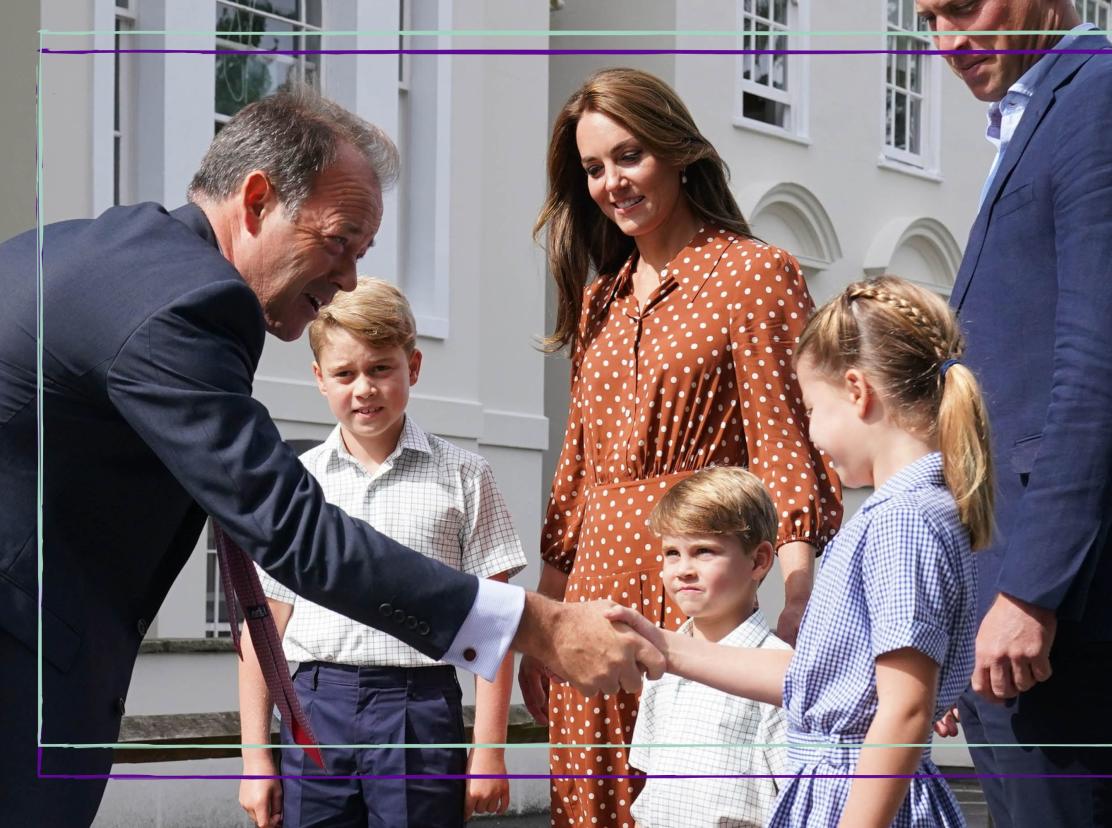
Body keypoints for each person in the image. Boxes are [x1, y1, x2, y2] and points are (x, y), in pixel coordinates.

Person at [0, 84, 664, 827]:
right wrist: (541, 626)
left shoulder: (88, 253)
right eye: (339, 240)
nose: (348, 278)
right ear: (256, 201)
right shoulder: (185, 305)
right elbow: (293, 532)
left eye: (362, 252)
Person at [916, 1, 1112, 824]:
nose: (949, 43)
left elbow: (1106, 371)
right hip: (1008, 600)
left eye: (964, 7)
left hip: (1059, 612)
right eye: (929, 19)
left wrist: (1033, 591)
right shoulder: (1035, 121)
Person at [522, 67, 842, 828]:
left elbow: (785, 440)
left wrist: (798, 593)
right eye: (593, 169)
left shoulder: (754, 272)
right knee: (591, 808)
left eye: (628, 156)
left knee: (706, 807)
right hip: (592, 596)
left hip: (695, 593)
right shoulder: (600, 297)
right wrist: (545, 625)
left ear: (677, 151)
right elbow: (573, 476)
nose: (611, 183)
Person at [611, 275, 990, 827]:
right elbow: (814, 684)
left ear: (858, 393)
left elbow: (904, 712)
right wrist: (662, 646)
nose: (810, 433)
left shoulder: (902, 521)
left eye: (811, 408)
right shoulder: (905, 514)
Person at [235, 278, 524, 828]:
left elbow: (496, 625)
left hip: (417, 709)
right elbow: (261, 627)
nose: (363, 387)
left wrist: (489, 749)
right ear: (320, 379)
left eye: (380, 369)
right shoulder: (294, 485)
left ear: (413, 367)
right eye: (345, 374)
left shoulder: (465, 478)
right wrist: (255, 758)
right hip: (314, 708)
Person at [628, 466, 790, 828]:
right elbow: (651, 784)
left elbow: (800, 799)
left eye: (704, 551)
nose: (683, 569)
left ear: (759, 560)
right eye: (672, 552)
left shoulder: (780, 675)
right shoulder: (660, 665)